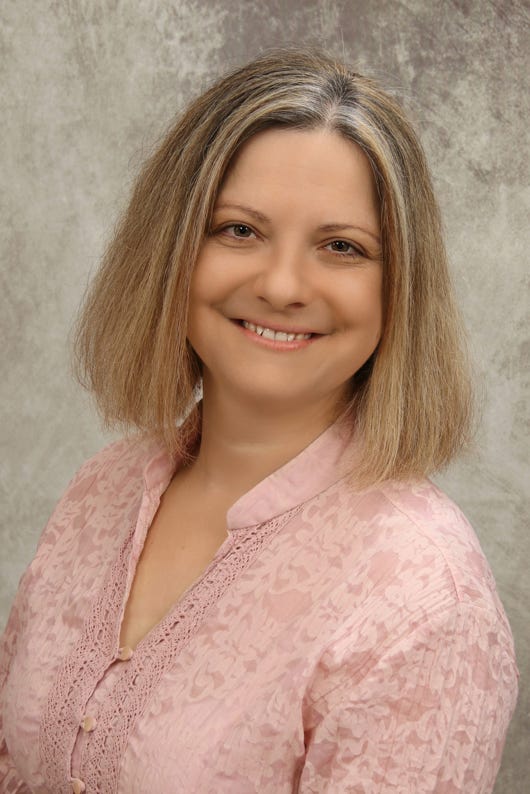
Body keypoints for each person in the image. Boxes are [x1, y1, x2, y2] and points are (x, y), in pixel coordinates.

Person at [0, 48, 518, 794]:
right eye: (239, 230)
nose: (280, 285)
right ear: (171, 248)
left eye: (342, 247)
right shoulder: (101, 490)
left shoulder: (424, 600)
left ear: (398, 290)